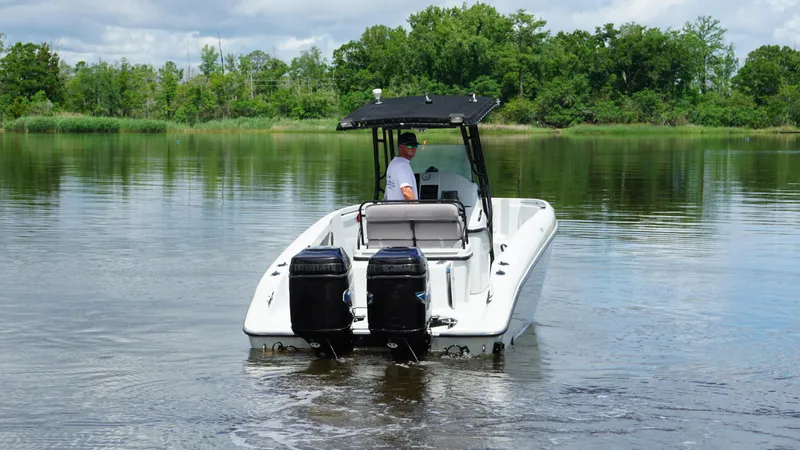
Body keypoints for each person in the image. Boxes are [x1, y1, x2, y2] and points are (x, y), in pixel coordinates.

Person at [384, 132, 419, 200]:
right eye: (410, 146)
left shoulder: (394, 163)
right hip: (404, 210)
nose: (413, 148)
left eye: (415, 146)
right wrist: (417, 209)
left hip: (393, 209)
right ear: (401, 147)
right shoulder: (402, 166)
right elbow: (406, 192)